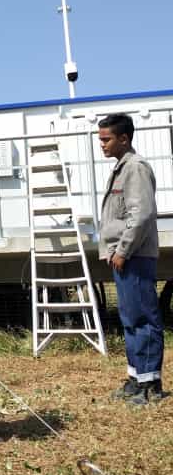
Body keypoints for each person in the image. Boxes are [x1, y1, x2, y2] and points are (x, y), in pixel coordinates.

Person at [98, 113, 164, 406]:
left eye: (107, 139)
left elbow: (142, 214)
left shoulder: (135, 168)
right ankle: (136, 378)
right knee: (130, 319)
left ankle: (150, 385)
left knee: (142, 318)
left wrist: (123, 250)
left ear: (124, 139)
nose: (102, 145)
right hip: (124, 255)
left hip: (134, 255)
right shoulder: (121, 168)